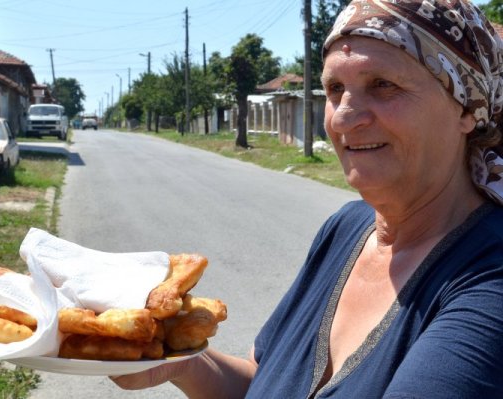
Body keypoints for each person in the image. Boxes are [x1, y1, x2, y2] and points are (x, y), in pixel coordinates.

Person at [111, 0, 503, 397]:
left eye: (384, 85)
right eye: (335, 89)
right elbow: (259, 382)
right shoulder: (348, 228)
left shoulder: (488, 275)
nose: (343, 118)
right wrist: (175, 360)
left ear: (466, 109)